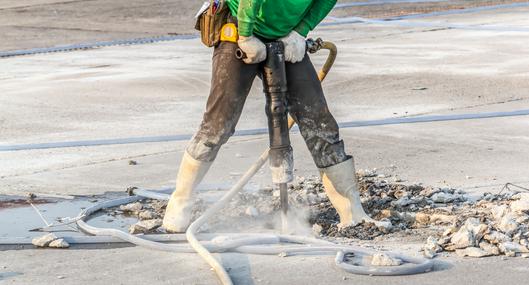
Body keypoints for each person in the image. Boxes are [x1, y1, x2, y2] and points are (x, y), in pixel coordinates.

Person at [163, 0, 389, 232]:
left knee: (319, 122)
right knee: (219, 123)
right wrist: (246, 35)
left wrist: (300, 31)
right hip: (240, 24)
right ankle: (180, 201)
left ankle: (352, 212)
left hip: (285, 34)